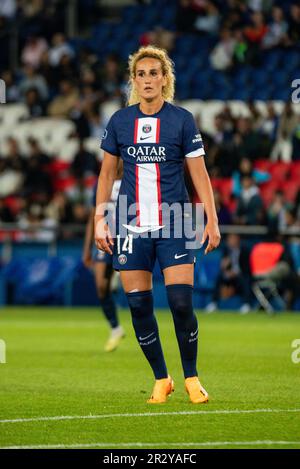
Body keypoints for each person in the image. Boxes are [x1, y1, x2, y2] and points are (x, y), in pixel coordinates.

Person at [94, 46, 220, 404]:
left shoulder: (182, 120)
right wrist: (100, 218)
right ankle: (161, 378)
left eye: (154, 73)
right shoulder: (119, 121)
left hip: (176, 222)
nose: (147, 80)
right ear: (133, 81)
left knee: (181, 303)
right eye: (141, 74)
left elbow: (200, 175)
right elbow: (106, 175)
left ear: (165, 79)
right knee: (138, 305)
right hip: (130, 223)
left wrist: (211, 219)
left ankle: (192, 377)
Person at [83, 163, 125, 352]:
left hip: (128, 236)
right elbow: (94, 215)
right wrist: (87, 249)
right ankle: (115, 328)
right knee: (100, 285)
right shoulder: (102, 182)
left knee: (135, 288)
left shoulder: (133, 178)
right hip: (106, 236)